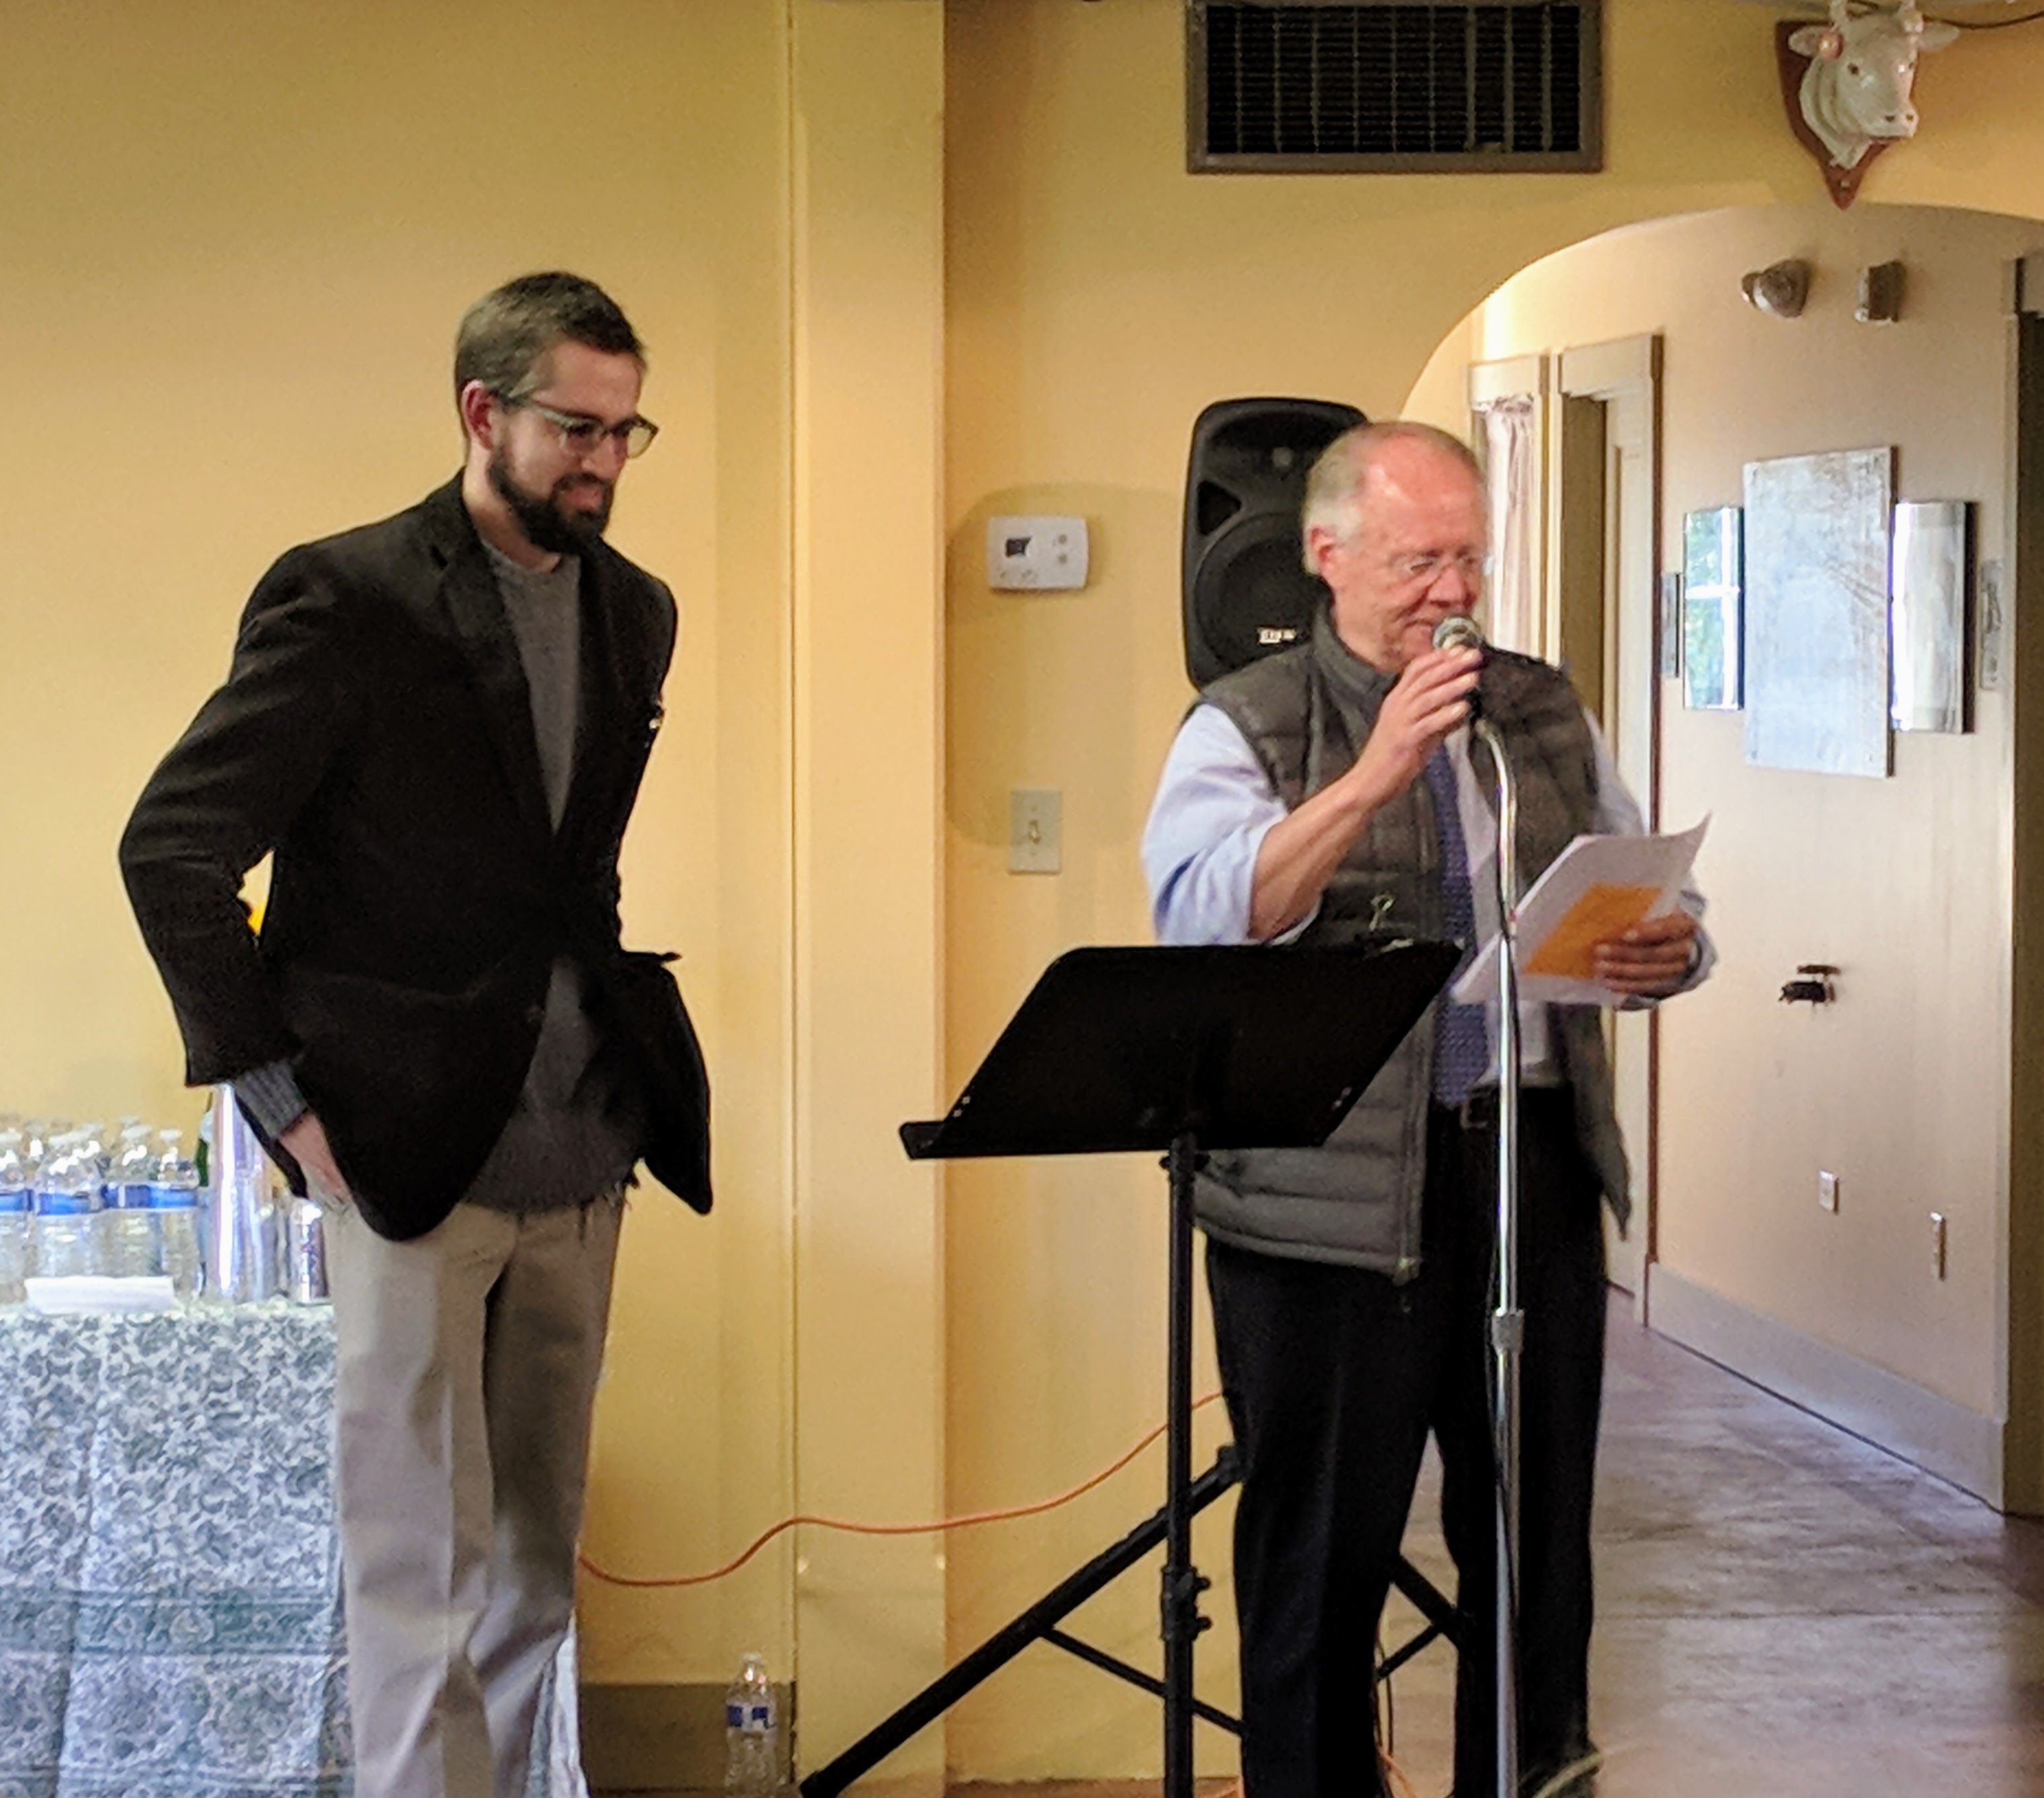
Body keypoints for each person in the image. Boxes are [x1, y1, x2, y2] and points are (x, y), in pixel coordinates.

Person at [121, 271, 710, 1798]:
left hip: (586, 1154)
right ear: (481, 414)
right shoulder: (350, 596)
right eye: (575, 427)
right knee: (417, 1579)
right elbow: (173, 852)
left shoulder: (636, 611)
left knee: (532, 1573)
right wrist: (280, 1105)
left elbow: (563, 873)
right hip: (399, 1158)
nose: (602, 460)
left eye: (626, 430)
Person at [1140, 422, 1709, 1798]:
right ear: (1326, 555)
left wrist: (1671, 950)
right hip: (1329, 1206)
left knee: (1537, 1555)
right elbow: (1212, 916)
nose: (1448, 588)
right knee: (1319, 1558)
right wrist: (1375, 773)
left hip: (1527, 1167)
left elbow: (1653, 892)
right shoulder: (1249, 719)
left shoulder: (1537, 709)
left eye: (1466, 556)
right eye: (1414, 560)